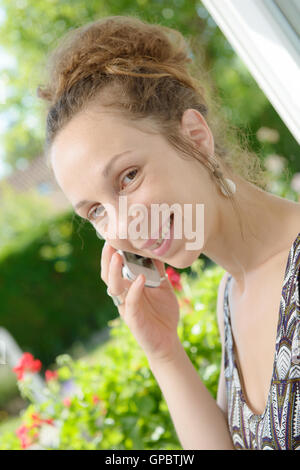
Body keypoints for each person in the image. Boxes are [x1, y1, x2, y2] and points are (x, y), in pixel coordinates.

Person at [36, 15, 300, 450]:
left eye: (129, 177)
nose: (123, 227)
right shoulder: (231, 300)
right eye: (97, 211)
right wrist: (163, 352)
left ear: (195, 137)